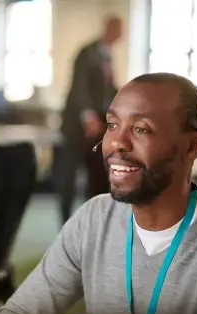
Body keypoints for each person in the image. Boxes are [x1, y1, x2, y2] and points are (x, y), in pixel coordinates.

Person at [0, 73, 197, 314]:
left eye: (141, 129)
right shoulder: (95, 218)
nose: (117, 143)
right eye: (113, 125)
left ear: (193, 147)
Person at [57, 16, 123, 224]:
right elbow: (80, 87)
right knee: (68, 175)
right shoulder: (87, 52)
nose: (120, 34)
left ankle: (90, 222)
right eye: (117, 29)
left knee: (96, 176)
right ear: (108, 28)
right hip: (76, 127)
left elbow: (108, 91)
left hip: (98, 129)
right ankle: (65, 222)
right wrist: (88, 117)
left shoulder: (108, 56)